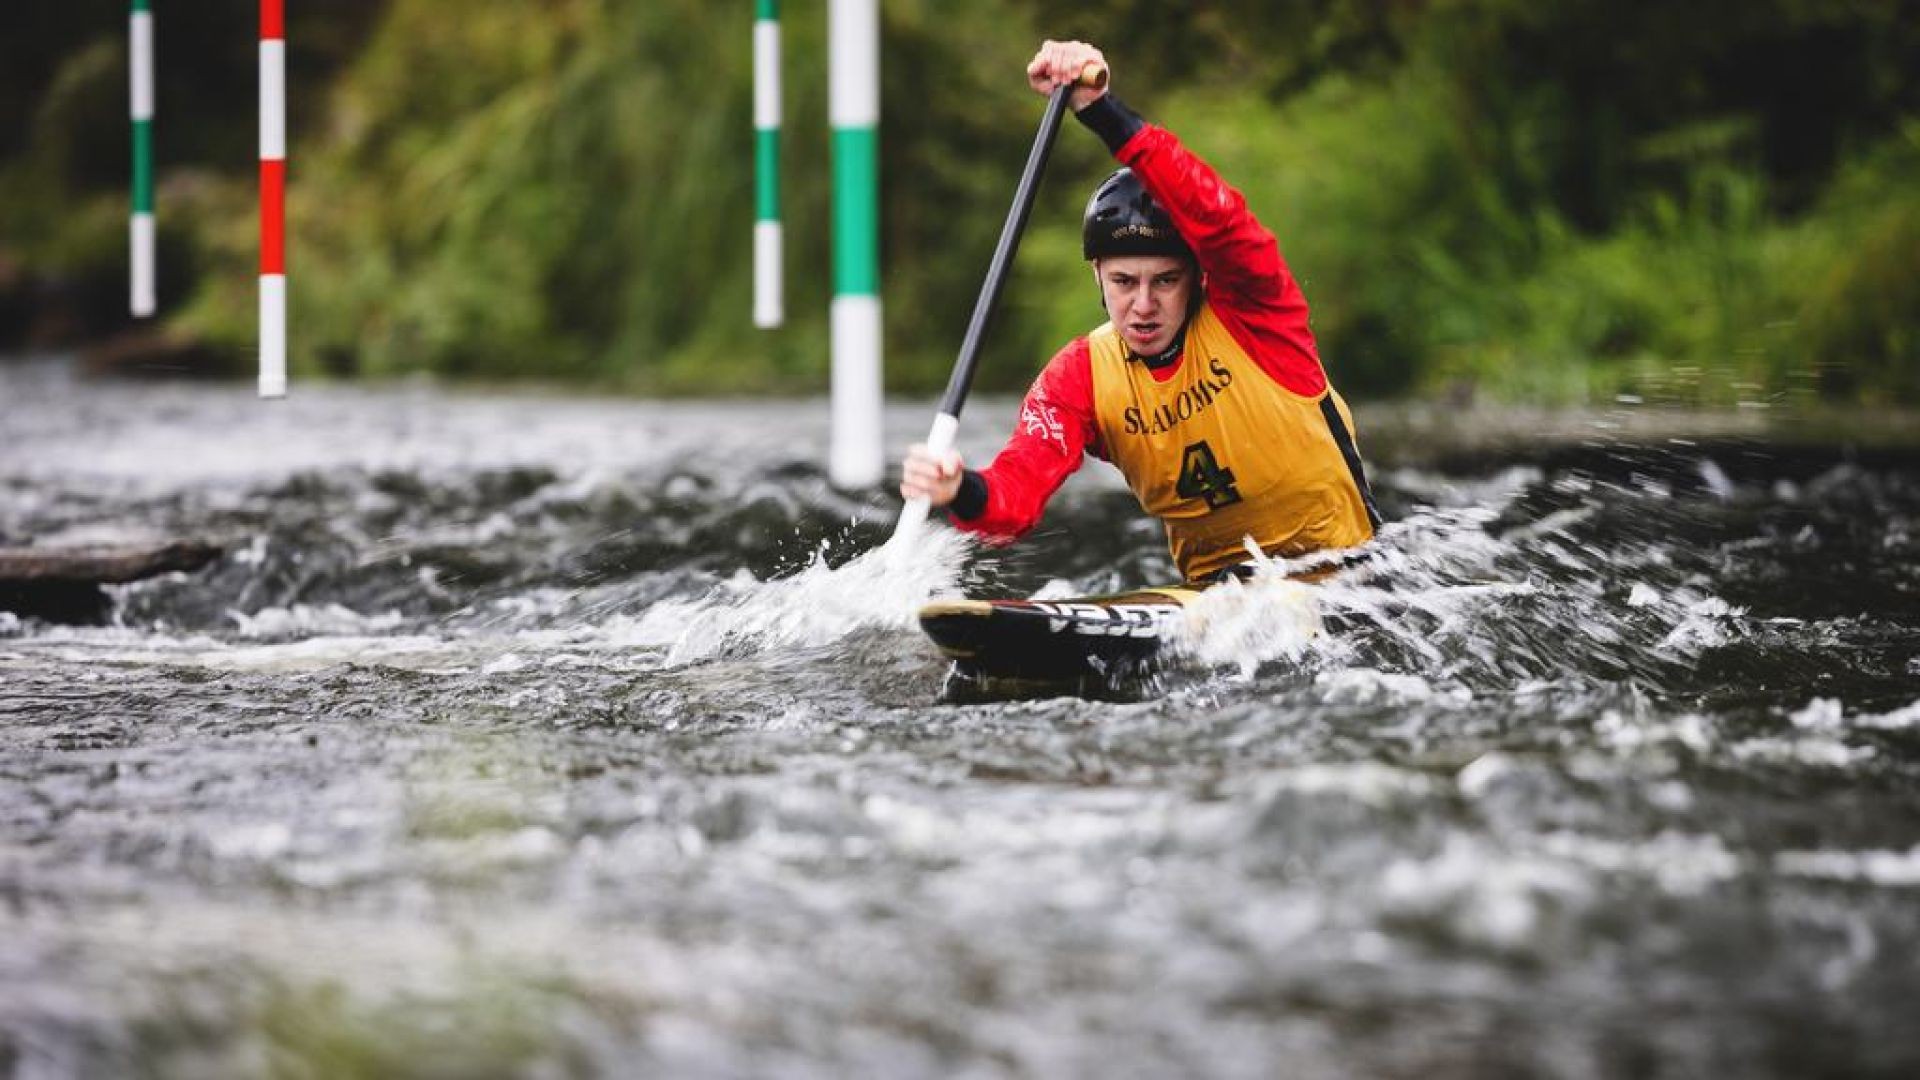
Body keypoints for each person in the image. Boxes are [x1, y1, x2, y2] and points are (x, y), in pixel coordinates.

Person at [899, 40, 1383, 583]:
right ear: (1097, 277)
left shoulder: (1257, 313)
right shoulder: (1079, 377)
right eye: (1124, 282)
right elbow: (1016, 497)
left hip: (1349, 578)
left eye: (1166, 281)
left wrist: (1100, 111)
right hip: (1219, 601)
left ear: (1199, 276)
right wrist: (959, 489)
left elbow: (1218, 218)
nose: (1144, 305)